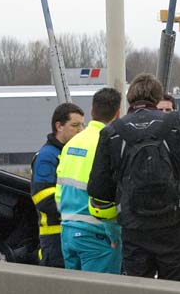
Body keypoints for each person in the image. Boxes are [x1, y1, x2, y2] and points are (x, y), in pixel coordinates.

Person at [87, 73, 180, 281]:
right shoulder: (177, 125)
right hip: (171, 224)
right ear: (157, 97)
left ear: (130, 99)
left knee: (138, 286)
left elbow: (98, 189)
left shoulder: (112, 131)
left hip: (133, 226)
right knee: (177, 286)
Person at [57, 88, 123, 274]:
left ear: (92, 111)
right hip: (97, 234)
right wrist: (114, 234)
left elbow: (59, 190)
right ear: (118, 113)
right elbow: (105, 194)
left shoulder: (72, 143)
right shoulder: (109, 142)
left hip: (68, 230)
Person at [31, 102, 85, 267]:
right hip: (55, 236)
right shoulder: (47, 156)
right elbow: (43, 198)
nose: (81, 130)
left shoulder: (73, 153)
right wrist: (80, 207)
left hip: (74, 232)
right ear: (59, 126)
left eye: (83, 125)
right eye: (75, 125)